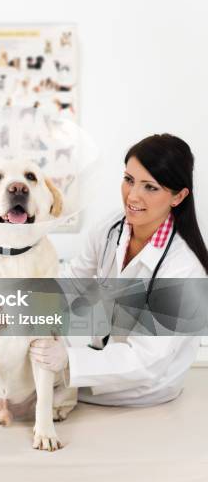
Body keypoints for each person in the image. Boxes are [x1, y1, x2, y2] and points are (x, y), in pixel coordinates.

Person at [30, 134, 208, 406]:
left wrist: (70, 360)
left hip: (145, 386)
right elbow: (73, 281)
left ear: (178, 196)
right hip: (98, 360)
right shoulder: (110, 228)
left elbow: (146, 359)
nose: (133, 195)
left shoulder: (184, 270)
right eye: (129, 180)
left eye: (150, 187)